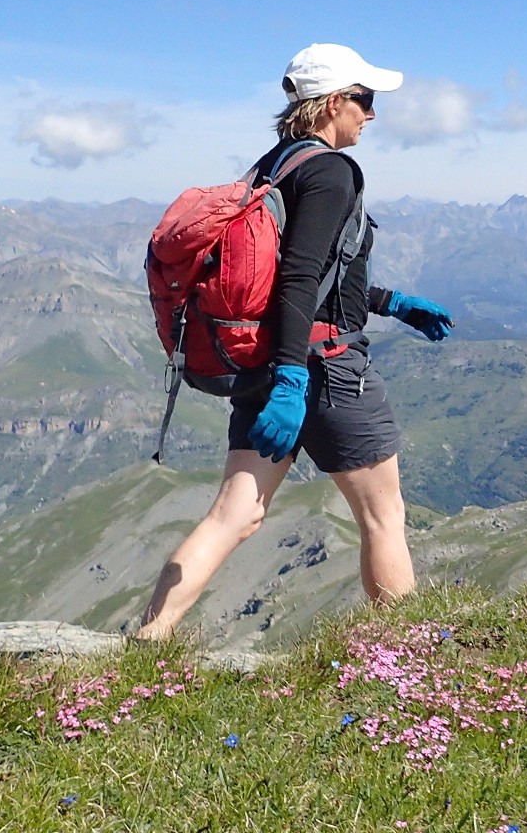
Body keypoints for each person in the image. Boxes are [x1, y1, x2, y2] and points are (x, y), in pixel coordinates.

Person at [134, 43, 455, 640]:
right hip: (324, 370)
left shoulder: (273, 165)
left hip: (263, 362)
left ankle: (148, 640)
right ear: (333, 102)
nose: (372, 114)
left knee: (234, 514)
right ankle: (406, 662)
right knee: (384, 518)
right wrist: (294, 376)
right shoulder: (333, 171)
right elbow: (300, 277)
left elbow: (301, 274)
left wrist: (392, 304)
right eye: (365, 100)